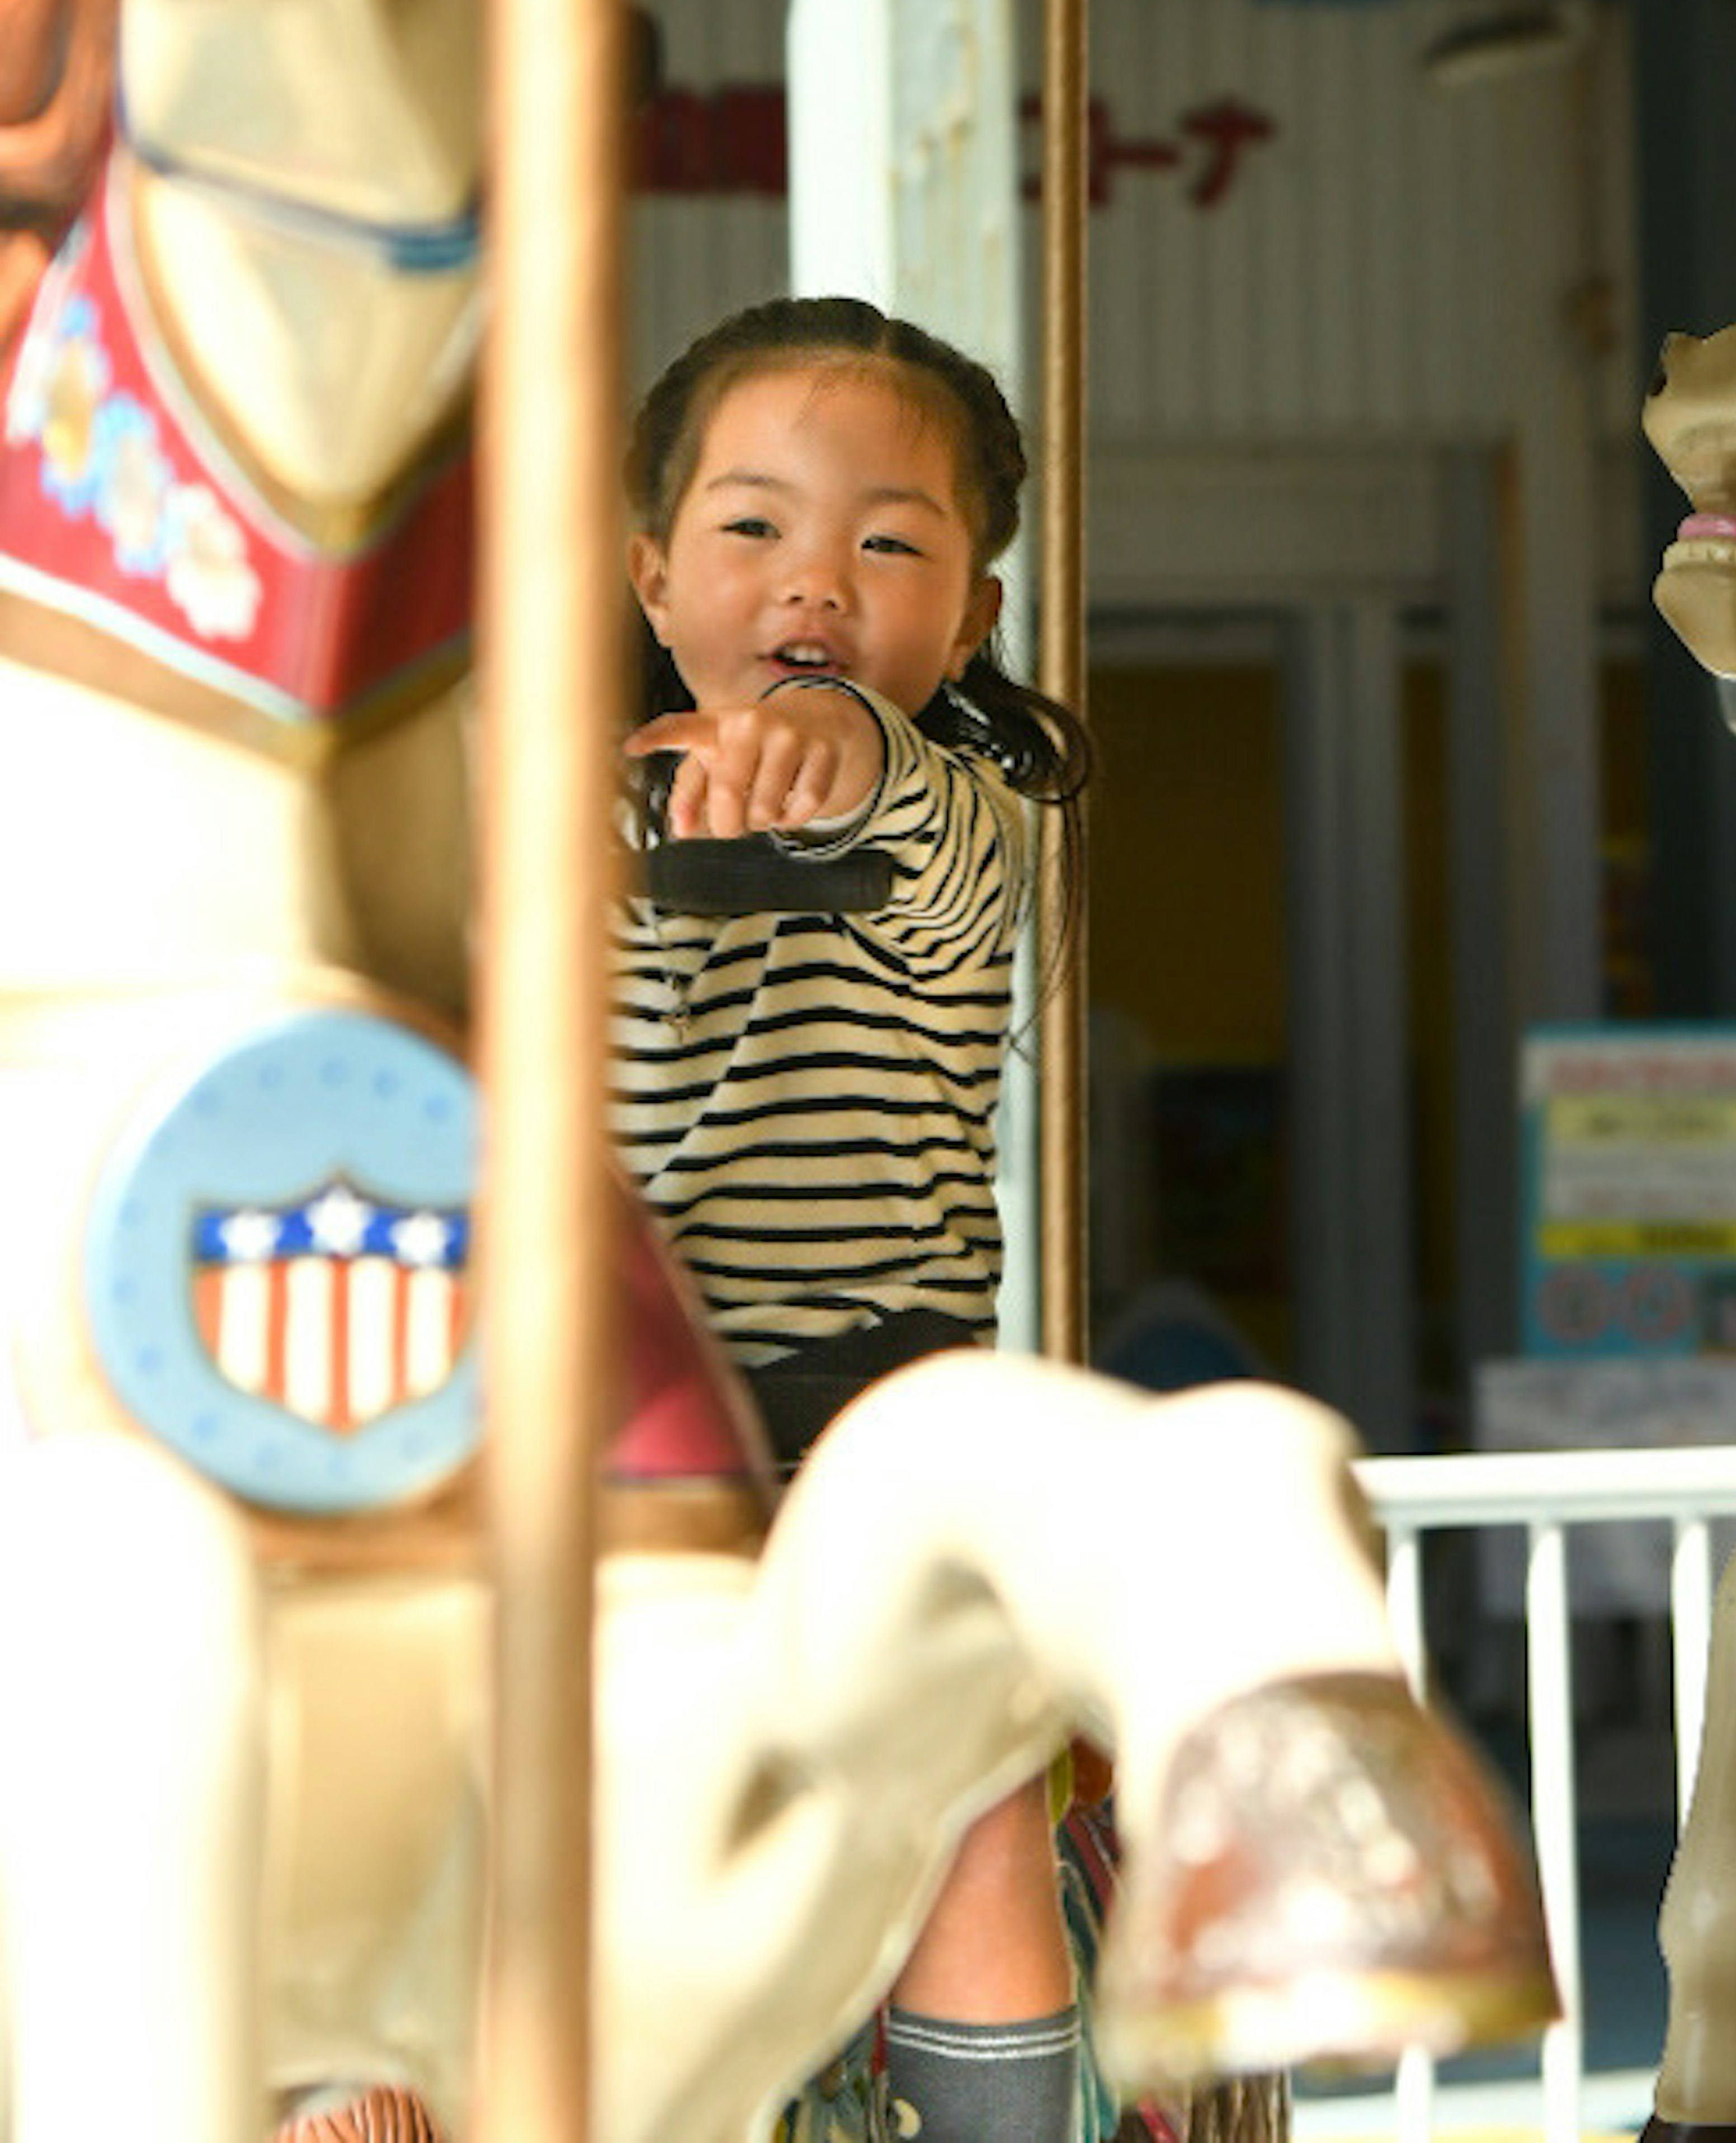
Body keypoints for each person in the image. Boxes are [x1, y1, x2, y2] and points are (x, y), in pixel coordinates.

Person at [608, 294, 1095, 2143]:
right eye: (754, 530)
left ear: (967, 617)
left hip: (875, 1427)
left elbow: (869, 785)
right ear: (656, 578)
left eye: (888, 543)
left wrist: (821, 747)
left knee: (969, 1789)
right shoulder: (559, 819)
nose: (816, 578)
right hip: (620, 1439)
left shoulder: (972, 826)